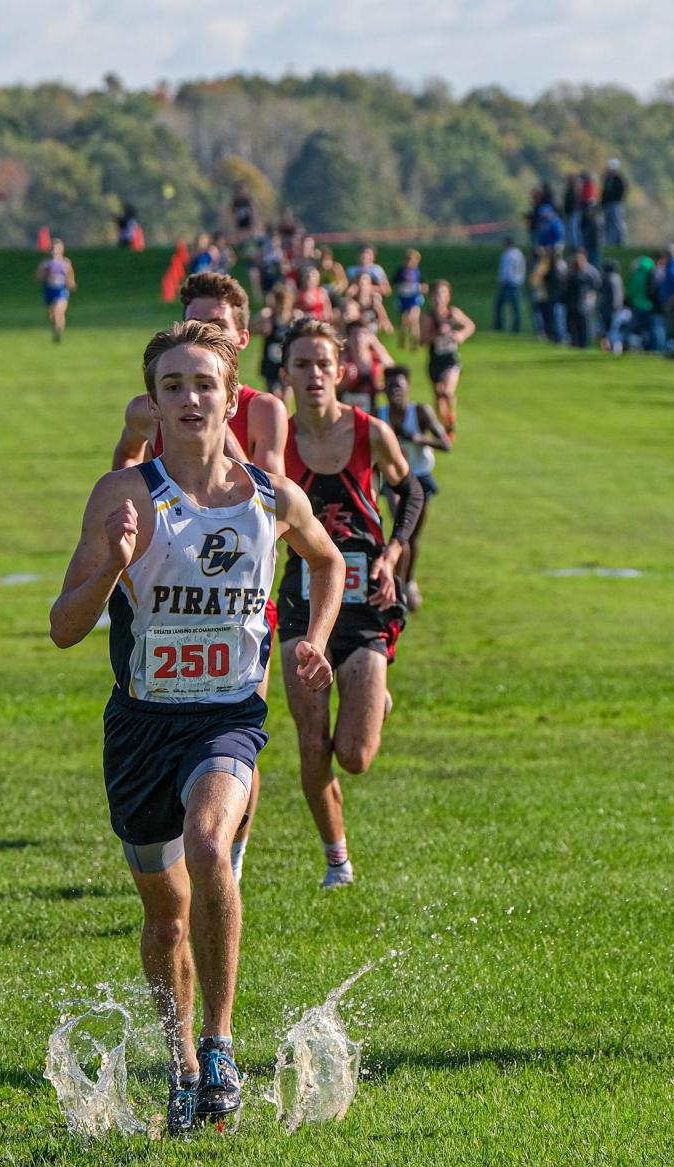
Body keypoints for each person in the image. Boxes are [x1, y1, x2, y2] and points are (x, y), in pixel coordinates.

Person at [51, 320, 343, 1135]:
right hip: (142, 728)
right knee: (166, 914)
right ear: (154, 399)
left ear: (231, 392)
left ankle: (218, 1043)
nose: (188, 398)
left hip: (228, 720)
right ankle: (180, 1062)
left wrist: (313, 639)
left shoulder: (271, 498)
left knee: (212, 846)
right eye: (171, 385)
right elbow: (63, 626)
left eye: (203, 382)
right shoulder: (123, 496)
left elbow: (327, 560)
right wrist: (112, 563)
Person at [112, 272, 290, 881]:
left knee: (238, 711)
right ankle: (198, 837)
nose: (211, 330)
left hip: (243, 583)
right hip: (171, 574)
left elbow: (267, 495)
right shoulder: (150, 405)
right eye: (198, 320)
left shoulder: (265, 408)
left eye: (220, 324)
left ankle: (228, 852)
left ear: (243, 334)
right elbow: (127, 459)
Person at [277, 318, 424, 889]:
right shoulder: (279, 443)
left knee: (355, 756)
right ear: (285, 374)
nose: (314, 375)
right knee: (312, 742)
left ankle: (374, 697)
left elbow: (410, 490)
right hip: (304, 601)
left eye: (323, 364)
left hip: (364, 601)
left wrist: (392, 554)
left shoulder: (371, 433)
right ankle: (336, 858)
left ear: (340, 371)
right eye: (301, 365)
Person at [377, 366, 451, 609]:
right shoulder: (380, 415)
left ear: (408, 387)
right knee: (402, 532)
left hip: (420, 476)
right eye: (390, 387)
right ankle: (397, 586)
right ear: (384, 390)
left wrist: (419, 438)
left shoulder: (419, 412)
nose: (395, 392)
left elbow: (445, 443)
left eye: (399, 386)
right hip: (395, 479)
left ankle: (408, 581)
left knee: (414, 536)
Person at [420, 280, 475, 435]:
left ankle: (450, 422)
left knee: (448, 392)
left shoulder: (453, 313)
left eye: (443, 294)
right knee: (438, 397)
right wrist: (437, 335)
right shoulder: (428, 317)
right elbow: (422, 340)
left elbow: (470, 325)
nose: (439, 298)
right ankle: (445, 424)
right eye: (436, 295)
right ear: (431, 298)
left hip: (451, 360)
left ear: (448, 297)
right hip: (435, 361)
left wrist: (461, 335)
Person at [35, 239, 77, 342]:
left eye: (57, 249)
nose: (54, 251)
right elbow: (38, 277)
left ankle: (58, 332)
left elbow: (70, 276)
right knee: (52, 314)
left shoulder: (66, 262)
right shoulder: (46, 263)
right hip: (49, 290)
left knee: (59, 310)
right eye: (53, 249)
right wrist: (45, 272)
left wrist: (71, 283)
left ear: (61, 250)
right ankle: (55, 329)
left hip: (61, 290)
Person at [392, 249, 425, 349]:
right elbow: (392, 284)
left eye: (412, 260)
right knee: (403, 322)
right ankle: (402, 339)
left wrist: (420, 288)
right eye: (407, 260)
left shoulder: (417, 273)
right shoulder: (400, 272)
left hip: (414, 299)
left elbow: (424, 286)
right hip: (403, 299)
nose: (409, 262)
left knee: (414, 319)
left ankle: (415, 342)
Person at [494, 237, 525, 333]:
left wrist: (501, 281)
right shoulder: (519, 254)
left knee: (500, 305)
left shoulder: (508, 254)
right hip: (517, 282)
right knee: (516, 307)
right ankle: (516, 327)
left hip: (508, 283)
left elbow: (505, 270)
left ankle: (499, 326)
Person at [601, 159, 627, 246]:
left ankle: (620, 241)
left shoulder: (618, 180)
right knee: (608, 224)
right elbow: (604, 193)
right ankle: (610, 242)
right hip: (607, 205)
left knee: (617, 223)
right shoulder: (607, 180)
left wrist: (615, 199)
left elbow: (621, 192)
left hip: (615, 204)